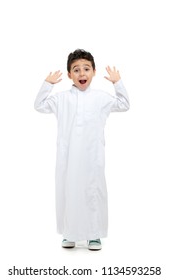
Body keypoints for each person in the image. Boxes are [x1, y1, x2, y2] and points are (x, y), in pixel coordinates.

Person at [34, 49, 130, 250]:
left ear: (94, 72)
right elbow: (39, 105)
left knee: (92, 192)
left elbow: (124, 104)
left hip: (92, 157)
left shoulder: (101, 98)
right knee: (68, 192)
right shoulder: (61, 99)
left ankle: (93, 234)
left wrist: (117, 82)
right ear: (69, 74)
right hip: (67, 158)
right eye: (76, 70)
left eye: (86, 69)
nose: (81, 73)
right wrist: (47, 84)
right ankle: (69, 233)